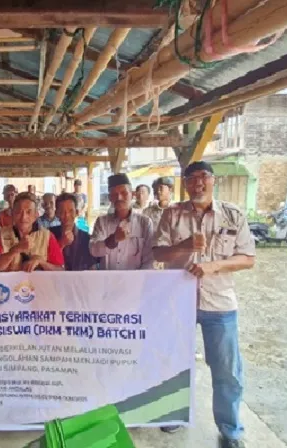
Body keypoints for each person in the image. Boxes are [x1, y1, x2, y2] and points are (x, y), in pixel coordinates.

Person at [152, 161, 255, 448]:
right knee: (174, 362)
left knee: (226, 371)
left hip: (219, 304)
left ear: (213, 181)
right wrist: (184, 246)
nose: (198, 183)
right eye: (192, 178)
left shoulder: (233, 215)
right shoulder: (172, 214)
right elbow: (157, 252)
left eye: (204, 177)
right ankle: (173, 413)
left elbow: (248, 258)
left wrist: (213, 266)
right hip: (178, 302)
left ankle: (230, 430)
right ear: (185, 184)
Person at [90, 173, 155, 270]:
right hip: (108, 278)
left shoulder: (145, 223)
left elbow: (149, 259)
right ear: (110, 198)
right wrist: (114, 239)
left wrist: (139, 278)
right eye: (114, 194)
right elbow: (94, 250)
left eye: (124, 193)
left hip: (135, 278)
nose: (119, 198)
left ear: (132, 195)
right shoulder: (102, 222)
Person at [0, 192, 64, 272]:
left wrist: (41, 262)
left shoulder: (47, 236)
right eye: (18, 212)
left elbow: (60, 270)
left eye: (29, 212)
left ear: (36, 215)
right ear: (12, 213)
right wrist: (15, 250)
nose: (23, 217)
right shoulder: (1, 234)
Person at [51, 193, 100, 271]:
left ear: (76, 212)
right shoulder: (49, 235)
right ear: (56, 214)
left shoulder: (87, 238)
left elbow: (92, 268)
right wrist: (61, 244)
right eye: (62, 212)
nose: (67, 215)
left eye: (71, 211)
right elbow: (44, 262)